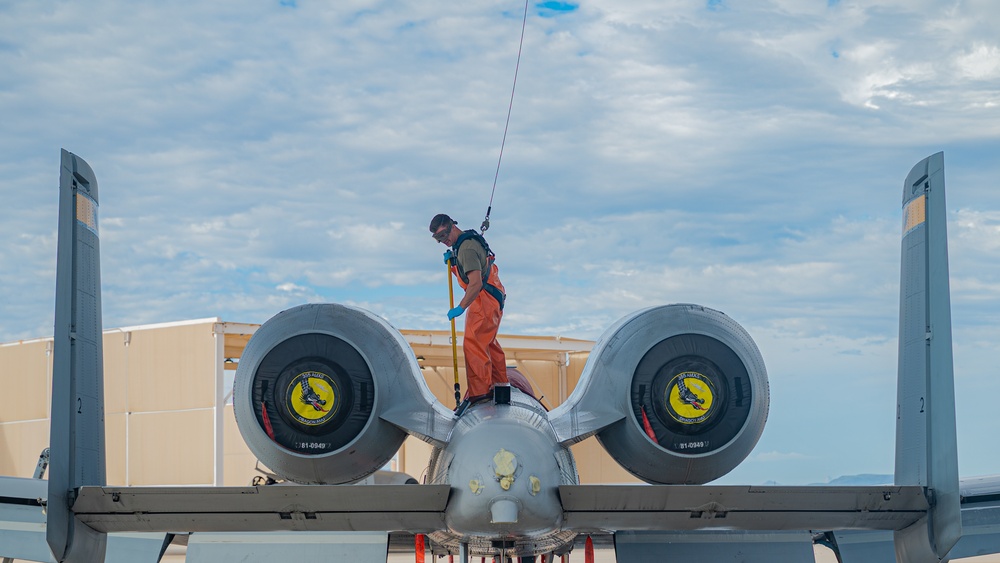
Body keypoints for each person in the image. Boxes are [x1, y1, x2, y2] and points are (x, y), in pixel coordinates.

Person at [429, 214, 508, 411]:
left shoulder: (467, 248)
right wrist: (454, 264)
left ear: (453, 226)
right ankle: (501, 387)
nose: (444, 240)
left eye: (445, 234)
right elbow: (474, 270)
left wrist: (461, 307)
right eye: (439, 239)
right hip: (492, 297)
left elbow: (475, 283)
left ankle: (480, 395)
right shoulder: (463, 245)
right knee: (488, 343)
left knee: (474, 344)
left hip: (483, 299)